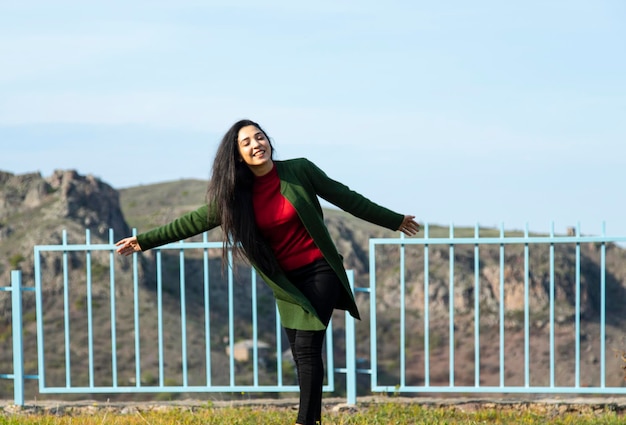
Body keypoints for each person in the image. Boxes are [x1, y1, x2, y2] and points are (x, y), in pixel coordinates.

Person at [115, 119, 420, 425]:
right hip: (287, 283)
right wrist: (144, 241)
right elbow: (192, 222)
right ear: (238, 156)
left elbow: (346, 197)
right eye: (246, 142)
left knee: (307, 347)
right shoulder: (235, 196)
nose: (255, 144)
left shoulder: (299, 170)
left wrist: (394, 220)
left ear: (269, 142)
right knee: (301, 354)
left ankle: (304, 422)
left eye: (259, 137)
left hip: (320, 269)